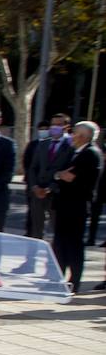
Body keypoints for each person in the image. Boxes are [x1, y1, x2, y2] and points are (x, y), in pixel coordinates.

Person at [50, 121, 102, 294]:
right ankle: (58, 279)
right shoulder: (73, 152)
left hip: (76, 206)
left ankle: (74, 281)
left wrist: (61, 175)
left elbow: (70, 177)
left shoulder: (90, 154)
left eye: (75, 133)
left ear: (83, 136)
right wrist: (60, 175)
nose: (72, 136)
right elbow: (58, 172)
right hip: (64, 205)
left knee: (73, 245)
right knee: (60, 244)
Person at [25, 114, 72, 241]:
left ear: (66, 127)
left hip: (57, 194)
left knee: (58, 230)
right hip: (38, 193)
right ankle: (34, 252)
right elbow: (33, 167)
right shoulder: (43, 144)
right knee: (36, 229)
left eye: (59, 125)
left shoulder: (71, 145)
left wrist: (50, 188)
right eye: (53, 124)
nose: (54, 127)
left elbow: (69, 170)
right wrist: (34, 186)